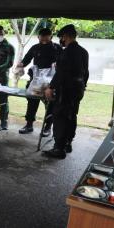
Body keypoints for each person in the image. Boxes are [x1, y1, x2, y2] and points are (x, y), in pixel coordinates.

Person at [43, 24, 89, 159]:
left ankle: (58, 148)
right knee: (71, 115)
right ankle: (68, 143)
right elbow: (86, 72)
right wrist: (83, 86)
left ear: (67, 36)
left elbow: (61, 72)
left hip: (66, 90)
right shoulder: (83, 51)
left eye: (62, 37)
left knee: (60, 116)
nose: (61, 40)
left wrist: (51, 87)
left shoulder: (67, 51)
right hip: (78, 89)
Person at [18, 28, 62, 135]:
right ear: (38, 37)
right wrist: (20, 66)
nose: (44, 41)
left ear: (51, 37)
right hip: (35, 81)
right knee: (32, 102)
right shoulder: (35, 48)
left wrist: (58, 65)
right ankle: (29, 124)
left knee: (50, 104)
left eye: (46, 39)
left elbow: (63, 63)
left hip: (50, 83)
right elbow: (26, 59)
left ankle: (47, 127)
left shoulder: (57, 48)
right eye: (42, 38)